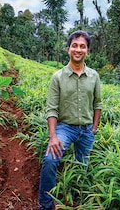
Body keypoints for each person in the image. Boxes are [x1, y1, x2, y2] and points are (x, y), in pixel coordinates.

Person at [38, 30, 102, 210]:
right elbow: (51, 108)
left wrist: (94, 129)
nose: (78, 49)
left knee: (82, 167)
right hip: (64, 128)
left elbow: (98, 103)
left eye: (83, 46)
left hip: (87, 130)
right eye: (75, 45)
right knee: (50, 160)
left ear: (87, 51)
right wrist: (53, 136)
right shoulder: (57, 77)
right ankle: (45, 204)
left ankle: (76, 199)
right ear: (68, 49)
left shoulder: (94, 76)